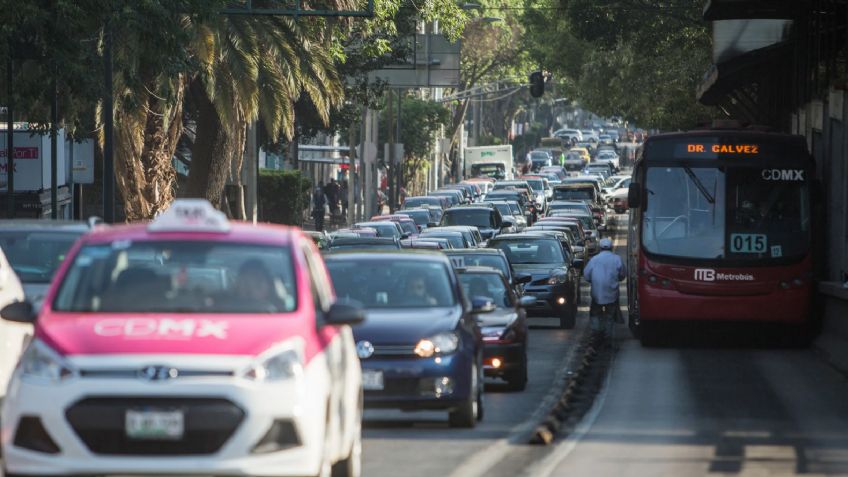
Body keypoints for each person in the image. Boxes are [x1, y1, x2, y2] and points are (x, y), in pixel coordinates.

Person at [582, 237, 626, 340]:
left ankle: (596, 334)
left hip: (597, 293)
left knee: (595, 313)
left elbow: (586, 275)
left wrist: (594, 281)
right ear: (611, 247)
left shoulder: (594, 260)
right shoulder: (617, 259)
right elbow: (623, 274)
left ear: (600, 248)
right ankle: (608, 336)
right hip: (612, 293)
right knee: (610, 316)